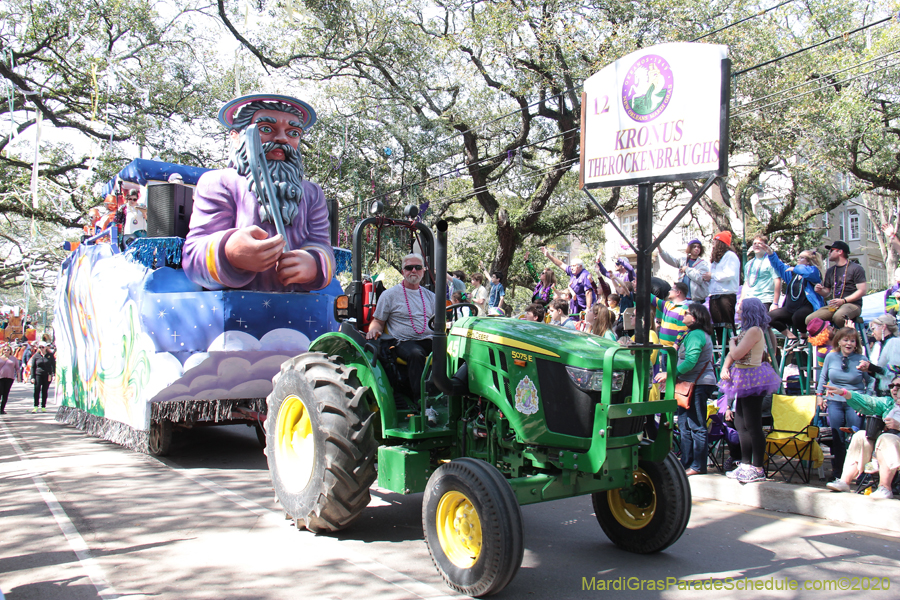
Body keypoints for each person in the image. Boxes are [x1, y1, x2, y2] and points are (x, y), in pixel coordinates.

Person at [183, 93, 336, 292]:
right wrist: (229, 251)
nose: (281, 138)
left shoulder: (312, 193)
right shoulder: (218, 183)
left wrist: (314, 263)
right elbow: (192, 256)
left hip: (298, 311)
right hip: (234, 310)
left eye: (293, 132)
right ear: (236, 136)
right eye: (265, 129)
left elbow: (322, 244)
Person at [719, 298, 783, 483]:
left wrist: (731, 343)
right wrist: (726, 365)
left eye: (740, 309)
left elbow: (737, 353)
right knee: (740, 423)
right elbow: (734, 357)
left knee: (753, 423)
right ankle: (745, 464)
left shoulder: (755, 330)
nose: (737, 312)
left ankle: (757, 467)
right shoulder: (747, 330)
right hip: (743, 377)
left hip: (753, 379)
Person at [655, 303, 717, 476]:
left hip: (697, 384)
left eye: (687, 313)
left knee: (696, 425)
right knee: (684, 423)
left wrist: (670, 374)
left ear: (695, 317)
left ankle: (698, 465)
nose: (684, 315)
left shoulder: (697, 335)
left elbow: (690, 361)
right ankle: (687, 461)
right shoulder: (691, 334)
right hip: (688, 385)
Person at [365, 253, 436, 400]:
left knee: (454, 349)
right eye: (409, 268)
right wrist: (373, 330)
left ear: (423, 270)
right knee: (416, 354)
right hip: (403, 341)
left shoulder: (431, 296)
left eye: (418, 267)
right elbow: (378, 321)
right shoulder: (389, 295)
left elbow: (438, 323)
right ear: (403, 271)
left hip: (428, 338)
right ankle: (421, 401)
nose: (414, 271)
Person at [824, 377, 900, 499]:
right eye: (892, 386)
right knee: (860, 435)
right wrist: (844, 393)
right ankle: (845, 481)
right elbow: (868, 401)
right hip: (883, 448)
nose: (895, 389)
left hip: (893, 446)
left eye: (899, 386)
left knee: (886, 438)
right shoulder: (888, 404)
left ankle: (885, 488)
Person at [816, 327, 871, 481]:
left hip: (855, 402)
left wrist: (866, 401)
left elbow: (871, 381)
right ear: (839, 341)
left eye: (852, 341)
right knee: (837, 437)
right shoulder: (830, 357)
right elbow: (823, 377)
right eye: (845, 340)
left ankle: (860, 473)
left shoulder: (862, 359)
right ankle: (838, 473)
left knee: (857, 437)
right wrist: (819, 396)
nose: (849, 343)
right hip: (835, 402)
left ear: (856, 344)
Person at [760, 244, 824, 349]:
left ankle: (804, 336)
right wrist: (771, 253)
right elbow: (779, 266)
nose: (798, 259)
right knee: (769, 317)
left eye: (802, 258)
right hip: (790, 308)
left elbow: (809, 273)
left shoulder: (813, 271)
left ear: (808, 261)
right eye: (798, 257)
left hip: (806, 308)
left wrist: (795, 268)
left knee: (797, 316)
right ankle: (791, 337)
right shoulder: (792, 274)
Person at [807, 240, 867, 328]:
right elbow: (827, 291)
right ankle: (829, 338)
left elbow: (862, 291)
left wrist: (843, 301)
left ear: (840, 252)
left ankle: (847, 338)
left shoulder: (856, 268)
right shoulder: (831, 270)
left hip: (853, 305)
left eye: (831, 250)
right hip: (834, 305)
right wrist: (819, 290)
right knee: (810, 319)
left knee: (839, 317)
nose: (829, 253)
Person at [702, 231, 740, 331]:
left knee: (727, 326)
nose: (713, 244)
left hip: (726, 296)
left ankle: (730, 346)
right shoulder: (716, 260)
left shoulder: (730, 256)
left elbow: (730, 274)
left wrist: (712, 275)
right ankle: (722, 346)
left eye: (715, 241)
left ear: (721, 243)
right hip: (714, 296)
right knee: (718, 326)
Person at [542, 247, 595, 314]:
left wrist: (588, 308)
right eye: (571, 266)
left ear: (580, 266)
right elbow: (560, 264)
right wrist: (548, 256)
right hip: (576, 306)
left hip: (585, 308)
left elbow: (588, 292)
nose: (572, 268)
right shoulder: (573, 272)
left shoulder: (585, 275)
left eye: (574, 266)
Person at [858, 314, 900, 396]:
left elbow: (894, 371)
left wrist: (871, 367)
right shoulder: (882, 345)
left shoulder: (894, 342)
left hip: (891, 394)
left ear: (883, 327)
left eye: (873, 329)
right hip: (882, 392)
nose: (873, 334)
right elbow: (883, 374)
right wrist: (869, 369)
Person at [741, 234, 781, 311]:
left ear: (765, 245)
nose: (757, 245)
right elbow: (746, 284)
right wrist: (741, 302)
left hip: (764, 300)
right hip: (749, 300)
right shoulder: (748, 264)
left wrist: (775, 303)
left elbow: (777, 281)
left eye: (760, 243)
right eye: (754, 243)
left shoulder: (771, 261)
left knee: (762, 323)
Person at [649, 281, 690, 349]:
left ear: (678, 293)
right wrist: (641, 286)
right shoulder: (668, 305)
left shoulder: (684, 309)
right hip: (664, 348)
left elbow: (682, 331)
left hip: (673, 350)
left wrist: (676, 345)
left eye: (672, 289)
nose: (669, 291)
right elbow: (653, 299)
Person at [29, 342, 55, 413]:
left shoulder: (50, 355)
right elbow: (33, 367)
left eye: (42, 347)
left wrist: (54, 374)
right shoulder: (36, 356)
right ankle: (35, 406)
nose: (41, 349)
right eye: (39, 347)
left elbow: (53, 365)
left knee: (45, 391)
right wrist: (32, 377)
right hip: (38, 375)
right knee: (37, 390)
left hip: (47, 375)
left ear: (46, 347)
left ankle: (43, 406)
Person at [0, 345, 19, 414]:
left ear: (10, 351)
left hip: (10, 378)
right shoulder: (0, 358)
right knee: (0, 392)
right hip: (1, 378)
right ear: (2, 350)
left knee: (5, 393)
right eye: (5, 350)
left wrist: (19, 376)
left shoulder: (13, 358)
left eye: (8, 350)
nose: (6, 351)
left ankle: (2, 409)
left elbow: (17, 368)